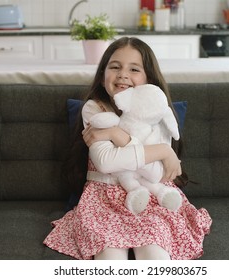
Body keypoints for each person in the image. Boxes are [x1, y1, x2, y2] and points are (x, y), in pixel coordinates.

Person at [43, 37, 212, 260]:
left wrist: (123, 137)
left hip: (152, 198)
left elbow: (155, 172)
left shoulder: (158, 112)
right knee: (110, 259)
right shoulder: (95, 109)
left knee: (155, 255)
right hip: (103, 201)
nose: (123, 74)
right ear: (103, 77)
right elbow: (106, 161)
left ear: (149, 80)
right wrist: (161, 151)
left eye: (134, 69)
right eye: (115, 67)